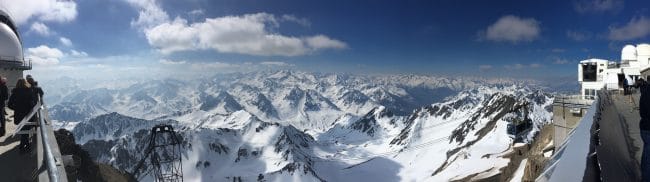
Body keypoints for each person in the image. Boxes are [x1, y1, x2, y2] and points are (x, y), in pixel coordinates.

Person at [8, 78, 36, 153]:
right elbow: (32, 104)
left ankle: (24, 146)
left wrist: (16, 109)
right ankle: (23, 147)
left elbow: (9, 105)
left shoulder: (15, 92)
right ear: (25, 83)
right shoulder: (29, 92)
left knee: (23, 131)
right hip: (27, 115)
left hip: (18, 115)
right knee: (26, 131)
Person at [638, 78, 650, 181]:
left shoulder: (645, 92)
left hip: (644, 127)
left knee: (646, 153)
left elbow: (641, 112)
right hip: (648, 128)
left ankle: (644, 174)